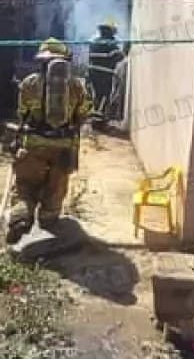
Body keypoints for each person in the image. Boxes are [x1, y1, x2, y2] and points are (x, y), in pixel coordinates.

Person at [8, 38, 93, 244]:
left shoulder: (29, 83)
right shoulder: (77, 86)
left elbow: (22, 113)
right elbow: (83, 114)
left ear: (41, 62)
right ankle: (48, 221)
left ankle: (22, 217)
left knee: (25, 185)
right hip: (63, 147)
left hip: (33, 144)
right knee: (56, 187)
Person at [87, 20, 125, 116]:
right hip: (105, 74)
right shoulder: (112, 45)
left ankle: (94, 111)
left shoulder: (94, 42)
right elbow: (120, 57)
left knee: (96, 93)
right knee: (105, 94)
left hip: (92, 72)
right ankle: (100, 113)